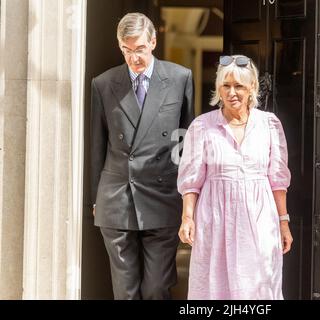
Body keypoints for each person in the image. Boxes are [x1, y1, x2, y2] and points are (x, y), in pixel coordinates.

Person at [90, 12, 194, 300]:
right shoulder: (103, 83)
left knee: (156, 289)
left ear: (153, 42)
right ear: (120, 46)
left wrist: (185, 197)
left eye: (140, 49)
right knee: (125, 291)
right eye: (127, 50)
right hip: (117, 198)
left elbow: (182, 143)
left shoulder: (179, 78)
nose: (134, 58)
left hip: (162, 196)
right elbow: (98, 145)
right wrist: (96, 198)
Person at [177, 55, 293, 300]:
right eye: (225, 86)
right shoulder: (201, 126)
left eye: (239, 86)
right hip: (215, 220)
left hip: (260, 219)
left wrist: (284, 222)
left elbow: (278, 179)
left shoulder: (269, 125)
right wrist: (188, 217)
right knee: (215, 286)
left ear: (252, 88)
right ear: (218, 88)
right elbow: (191, 179)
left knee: (259, 284)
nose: (232, 92)